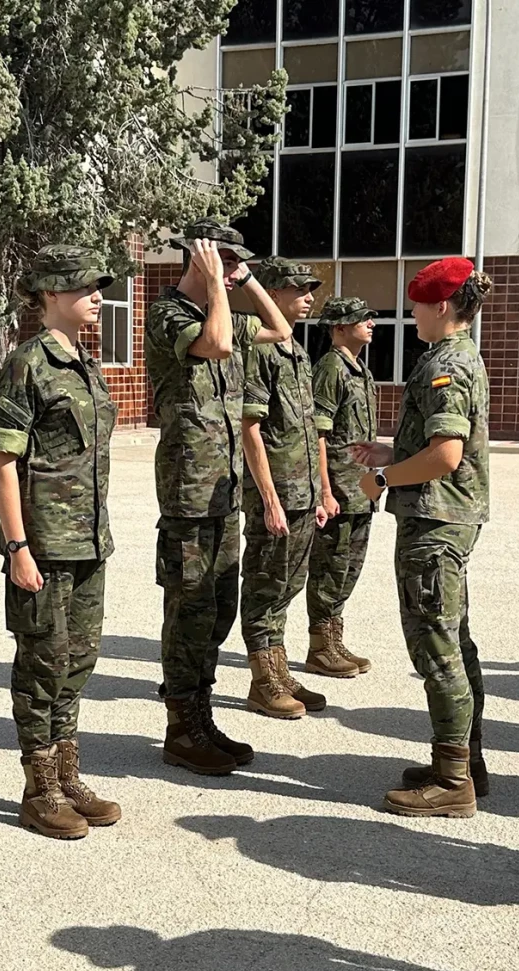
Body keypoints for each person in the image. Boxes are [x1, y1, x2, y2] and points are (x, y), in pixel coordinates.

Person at [0, 245, 122, 839]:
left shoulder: (85, 363)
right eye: (84, 286)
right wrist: (17, 548)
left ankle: (67, 775)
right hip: (43, 544)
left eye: (98, 287)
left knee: (78, 661)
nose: (96, 296)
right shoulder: (28, 364)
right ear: (48, 296)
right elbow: (1, 462)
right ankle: (39, 787)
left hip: (89, 542)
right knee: (41, 663)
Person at [146, 218, 291, 775]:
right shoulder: (169, 315)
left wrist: (248, 280)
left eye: (236, 263)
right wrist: (213, 283)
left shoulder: (222, 303)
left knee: (218, 609)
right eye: (226, 261)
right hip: (188, 491)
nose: (233, 272)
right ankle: (181, 728)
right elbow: (220, 343)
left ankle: (202, 719)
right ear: (200, 260)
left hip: (222, 490)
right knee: (189, 610)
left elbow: (278, 329)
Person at [356, 257, 491, 818]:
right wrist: (393, 453)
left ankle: (453, 779)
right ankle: (464, 763)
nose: (409, 313)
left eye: (415, 304)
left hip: (435, 524)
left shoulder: (448, 367)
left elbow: (446, 455)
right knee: (453, 639)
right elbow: (436, 446)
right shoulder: (453, 357)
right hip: (444, 517)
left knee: (436, 645)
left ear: (441, 306)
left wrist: (383, 478)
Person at [240, 256, 327, 719]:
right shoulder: (259, 349)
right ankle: (262, 680)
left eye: (310, 288)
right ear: (273, 294)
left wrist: (317, 492)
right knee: (263, 585)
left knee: (288, 585)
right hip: (273, 495)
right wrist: (270, 499)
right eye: (300, 288)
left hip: (302, 493)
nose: (309, 296)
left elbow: (307, 429)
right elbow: (249, 428)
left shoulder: (297, 351)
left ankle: (279, 668)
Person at [305, 297, 378, 679]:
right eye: (361, 318)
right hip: (340, 490)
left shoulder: (359, 370)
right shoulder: (331, 369)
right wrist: (324, 490)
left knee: (349, 568)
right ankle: (320, 647)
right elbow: (318, 433)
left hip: (361, 489)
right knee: (330, 569)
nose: (370, 322)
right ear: (338, 328)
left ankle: (333, 638)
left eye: (369, 318)